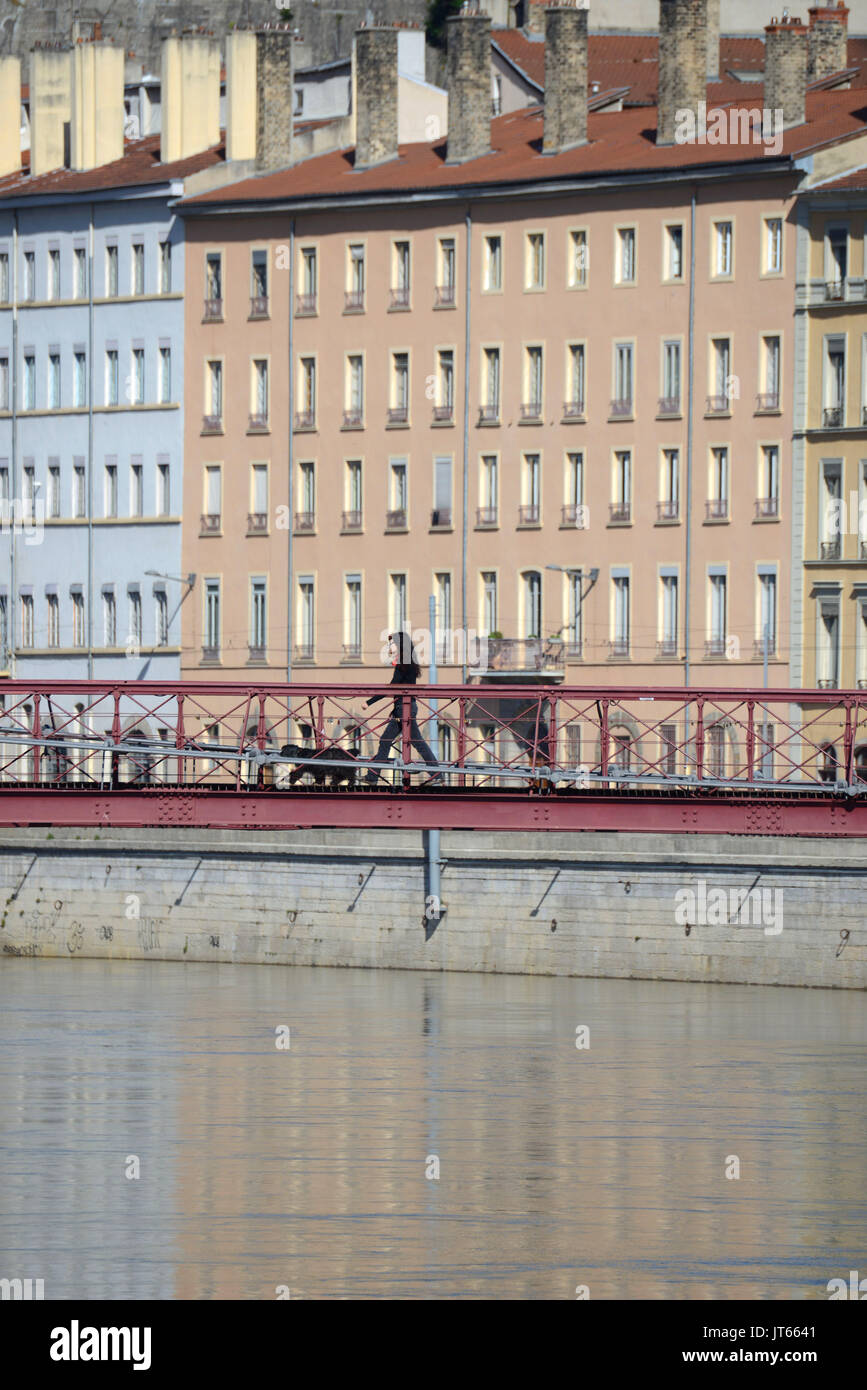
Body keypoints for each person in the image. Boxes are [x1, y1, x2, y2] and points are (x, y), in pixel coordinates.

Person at [364, 631, 440, 785]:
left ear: (400, 645)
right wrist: (395, 709)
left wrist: (369, 702)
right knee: (386, 740)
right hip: (403, 708)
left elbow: (392, 688)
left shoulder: (404, 665)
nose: (389, 646)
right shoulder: (406, 663)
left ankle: (437, 774)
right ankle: (372, 777)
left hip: (405, 709)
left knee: (416, 741)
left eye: (392, 643)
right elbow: (399, 689)